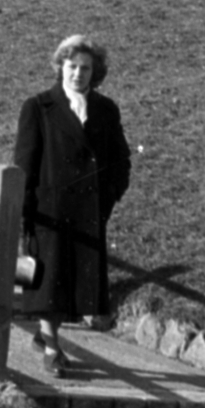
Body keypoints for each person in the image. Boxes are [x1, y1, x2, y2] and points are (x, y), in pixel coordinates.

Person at [13, 34, 131, 374]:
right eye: (72, 66)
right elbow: (24, 163)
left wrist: (106, 198)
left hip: (87, 214)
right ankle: (51, 348)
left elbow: (120, 161)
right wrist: (25, 213)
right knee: (50, 284)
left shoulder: (105, 110)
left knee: (73, 284)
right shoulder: (38, 107)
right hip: (48, 212)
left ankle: (46, 335)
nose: (78, 74)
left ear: (96, 72)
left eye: (85, 68)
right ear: (60, 67)